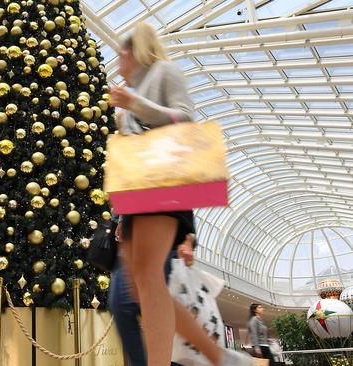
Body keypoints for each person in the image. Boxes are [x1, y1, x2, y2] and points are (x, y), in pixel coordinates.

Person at [109, 22, 251, 366]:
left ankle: (209, 358)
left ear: (133, 50)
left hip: (165, 184)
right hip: (139, 192)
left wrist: (137, 105)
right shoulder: (132, 97)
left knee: (146, 278)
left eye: (120, 55)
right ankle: (221, 357)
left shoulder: (165, 71)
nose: (117, 65)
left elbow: (185, 117)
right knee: (139, 284)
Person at [109, 233, 195, 366]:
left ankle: (216, 355)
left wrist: (187, 239)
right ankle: (217, 355)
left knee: (127, 304)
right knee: (123, 304)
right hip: (138, 241)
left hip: (158, 237)